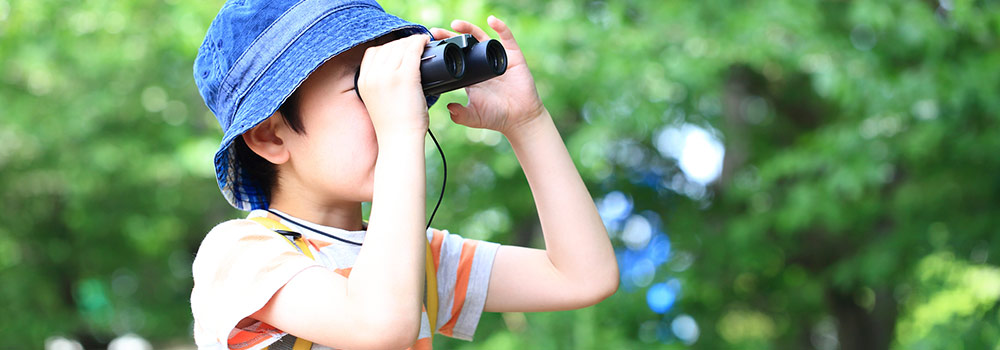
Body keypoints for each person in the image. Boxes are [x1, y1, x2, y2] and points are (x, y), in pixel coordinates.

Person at [190, 0, 618, 349]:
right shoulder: (238, 255)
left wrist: (527, 122)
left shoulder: (418, 260)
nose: (396, 105)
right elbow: (378, 328)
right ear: (269, 137)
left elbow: (583, 277)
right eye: (364, 88)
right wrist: (398, 132)